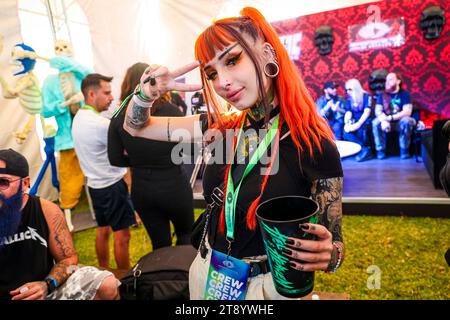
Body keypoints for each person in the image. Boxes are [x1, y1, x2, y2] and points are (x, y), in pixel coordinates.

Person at [121, 7, 344, 300]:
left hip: (269, 286)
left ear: (266, 54)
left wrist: (329, 255)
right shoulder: (220, 127)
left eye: (232, 60)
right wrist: (147, 93)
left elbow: (335, 243)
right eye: (212, 73)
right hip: (207, 270)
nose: (222, 82)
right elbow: (136, 127)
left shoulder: (312, 142)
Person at [0, 148, 120, 300]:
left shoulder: (46, 210)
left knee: (107, 284)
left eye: (3, 182)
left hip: (46, 291)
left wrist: (47, 285)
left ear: (25, 183)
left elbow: (68, 260)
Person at [108, 63, 194, 250]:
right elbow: (188, 151)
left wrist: (139, 161)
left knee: (160, 245)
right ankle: (184, 278)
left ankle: (163, 279)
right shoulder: (172, 111)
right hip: (174, 186)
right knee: (186, 236)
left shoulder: (118, 117)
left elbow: (114, 158)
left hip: (143, 189)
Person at [72, 73, 136, 270]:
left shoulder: (80, 118)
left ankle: (104, 271)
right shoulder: (100, 124)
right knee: (122, 236)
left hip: (95, 186)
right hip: (112, 187)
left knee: (103, 230)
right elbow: (128, 149)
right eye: (107, 93)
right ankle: (125, 279)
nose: (111, 98)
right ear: (91, 94)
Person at [41, 40, 92, 232]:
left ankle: (102, 210)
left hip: (86, 134)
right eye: (58, 49)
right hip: (67, 139)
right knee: (68, 179)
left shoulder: (82, 74)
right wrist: (61, 105)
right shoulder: (50, 82)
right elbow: (45, 110)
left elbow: (93, 80)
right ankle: (67, 219)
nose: (62, 52)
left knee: (97, 172)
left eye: (65, 47)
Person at [372, 72, 417, 159]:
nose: (387, 82)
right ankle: (380, 151)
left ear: (398, 81)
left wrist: (390, 118)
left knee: (406, 120)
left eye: (391, 79)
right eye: (386, 80)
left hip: (399, 122)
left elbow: (407, 112)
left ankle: (404, 150)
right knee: (375, 122)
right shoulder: (382, 95)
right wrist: (384, 120)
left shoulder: (405, 94)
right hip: (386, 123)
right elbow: (378, 111)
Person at [343, 79, 374, 162]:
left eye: (350, 89)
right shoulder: (349, 98)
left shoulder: (366, 96)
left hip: (365, 119)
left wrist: (358, 124)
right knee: (346, 132)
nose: (348, 91)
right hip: (355, 119)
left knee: (361, 129)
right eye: (347, 89)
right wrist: (347, 122)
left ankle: (366, 151)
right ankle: (364, 149)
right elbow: (348, 111)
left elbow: (367, 112)